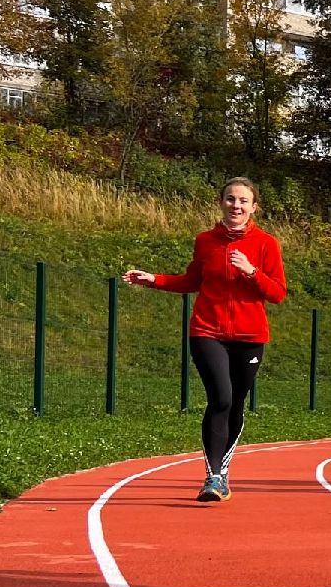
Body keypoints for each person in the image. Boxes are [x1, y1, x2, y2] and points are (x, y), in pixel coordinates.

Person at [123, 178, 287, 503]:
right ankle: (213, 477)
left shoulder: (266, 244)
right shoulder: (205, 241)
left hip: (250, 336)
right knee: (220, 398)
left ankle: (223, 470)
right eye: (230, 199)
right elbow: (192, 280)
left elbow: (278, 293)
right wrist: (154, 279)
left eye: (243, 201)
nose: (236, 206)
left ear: (254, 207)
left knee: (235, 403)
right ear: (221, 203)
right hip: (206, 331)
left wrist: (251, 272)